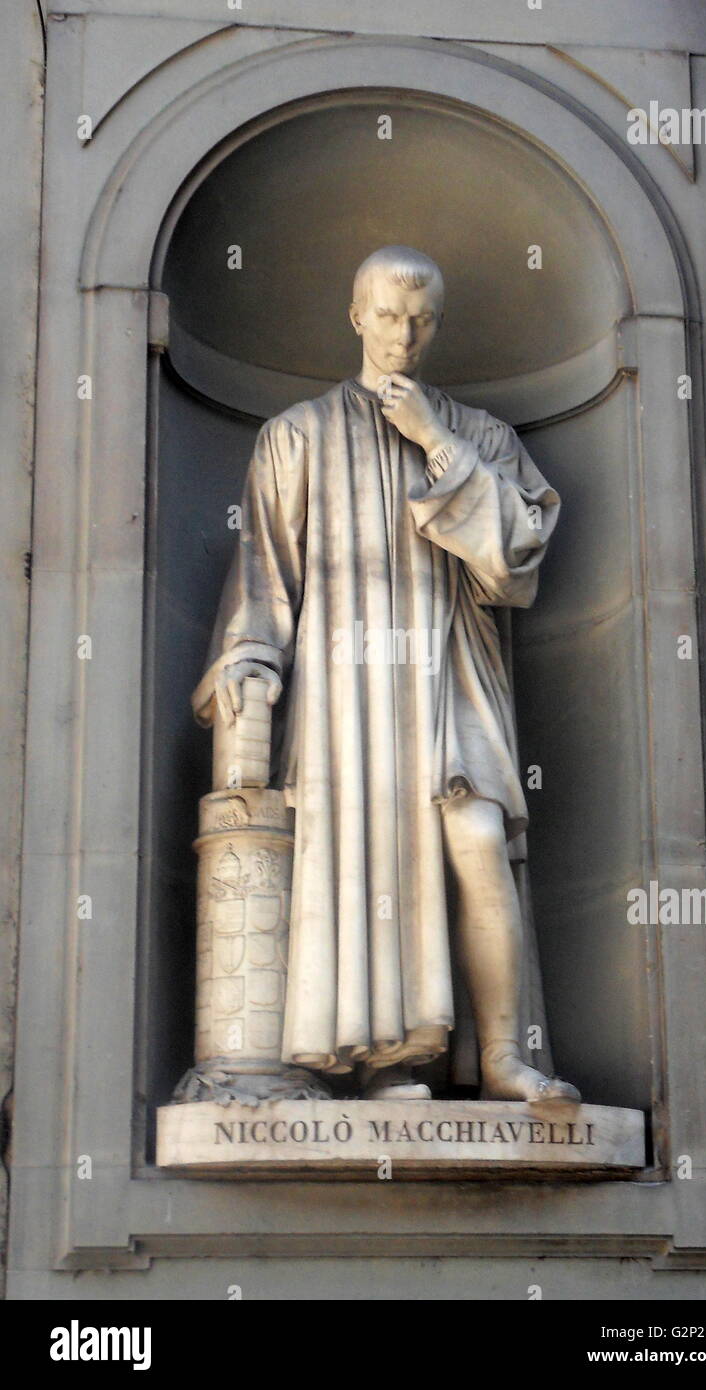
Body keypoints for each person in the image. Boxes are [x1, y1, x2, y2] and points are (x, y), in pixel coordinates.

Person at [193, 245, 580, 1103]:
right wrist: (249, 662)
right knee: (373, 865)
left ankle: (505, 1058)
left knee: (478, 843)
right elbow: (265, 579)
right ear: (355, 316)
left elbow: (514, 567)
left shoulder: (481, 436)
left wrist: (438, 445)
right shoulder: (295, 437)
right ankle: (392, 1061)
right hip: (347, 693)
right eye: (388, 315)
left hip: (451, 671)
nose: (404, 334)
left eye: (421, 318)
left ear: (435, 324)